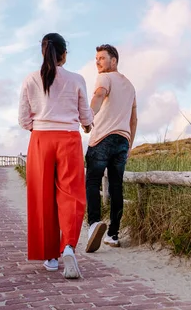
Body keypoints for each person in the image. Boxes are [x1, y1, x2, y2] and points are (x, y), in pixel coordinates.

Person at [18, 33, 93, 279]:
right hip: (69, 139)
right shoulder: (77, 79)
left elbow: (23, 119)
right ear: (64, 54)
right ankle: (69, 246)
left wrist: (38, 127)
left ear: (43, 52)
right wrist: (87, 126)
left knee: (43, 195)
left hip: (41, 139)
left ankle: (50, 257)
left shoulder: (30, 79)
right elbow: (86, 116)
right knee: (71, 193)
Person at [85, 44, 137, 252]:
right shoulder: (130, 86)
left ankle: (94, 225)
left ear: (113, 61)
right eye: (96, 58)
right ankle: (113, 235)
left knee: (92, 182)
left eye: (102, 58)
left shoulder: (105, 78)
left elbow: (98, 96)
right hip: (122, 141)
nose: (97, 61)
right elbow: (134, 120)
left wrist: (88, 118)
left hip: (102, 139)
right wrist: (129, 145)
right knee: (116, 186)